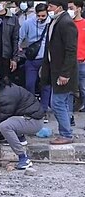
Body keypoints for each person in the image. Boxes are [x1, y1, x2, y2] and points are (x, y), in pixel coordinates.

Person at [0, 78, 44, 170]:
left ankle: (24, 158)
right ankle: (20, 138)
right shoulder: (2, 90)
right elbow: (3, 112)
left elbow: (3, 119)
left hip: (33, 121)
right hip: (26, 116)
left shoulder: (5, 96)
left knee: (5, 126)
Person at [41, 0, 78, 145]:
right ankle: (66, 131)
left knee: (57, 103)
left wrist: (65, 74)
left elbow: (71, 51)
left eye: (51, 6)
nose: (48, 9)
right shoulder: (55, 21)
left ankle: (66, 134)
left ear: (59, 8)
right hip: (55, 70)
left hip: (63, 72)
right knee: (60, 102)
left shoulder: (65, 23)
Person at [19, 3, 51, 123]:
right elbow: (20, 37)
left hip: (46, 60)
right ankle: (31, 108)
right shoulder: (28, 23)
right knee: (29, 84)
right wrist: (18, 50)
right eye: (39, 16)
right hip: (32, 59)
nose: (41, 18)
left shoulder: (51, 23)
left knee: (46, 86)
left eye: (43, 16)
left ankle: (43, 111)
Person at [68, 1, 85, 116]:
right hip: (69, 62)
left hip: (82, 61)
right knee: (69, 90)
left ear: (79, 9)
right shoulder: (67, 24)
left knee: (83, 87)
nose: (69, 10)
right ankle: (69, 112)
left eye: (71, 8)